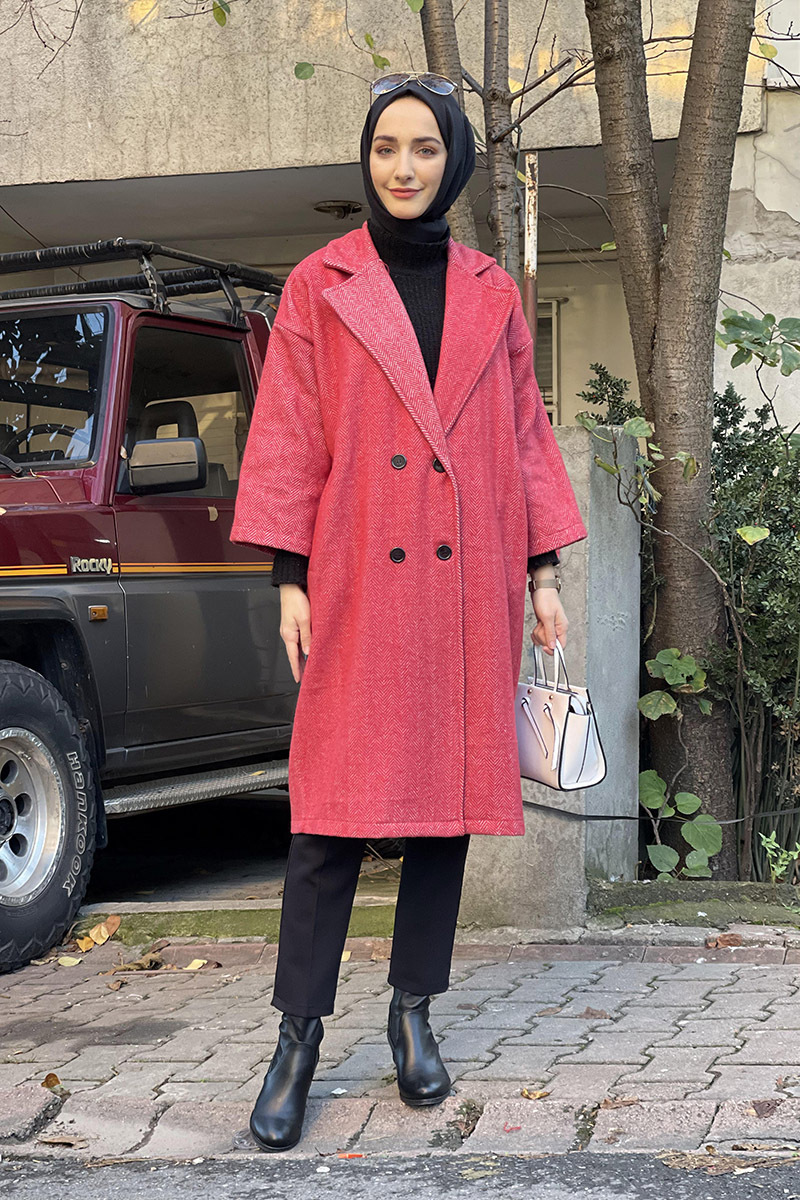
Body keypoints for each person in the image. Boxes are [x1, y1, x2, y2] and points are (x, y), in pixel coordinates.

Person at [231, 73, 588, 1153]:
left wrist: (541, 574)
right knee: (329, 813)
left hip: (467, 577)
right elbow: (289, 430)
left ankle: (412, 1013)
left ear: (454, 161)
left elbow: (523, 434)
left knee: (442, 808)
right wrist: (288, 575)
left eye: (424, 148)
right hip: (357, 574)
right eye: (386, 146)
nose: (402, 166)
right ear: (367, 157)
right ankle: (297, 1038)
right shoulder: (321, 282)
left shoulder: (490, 288)